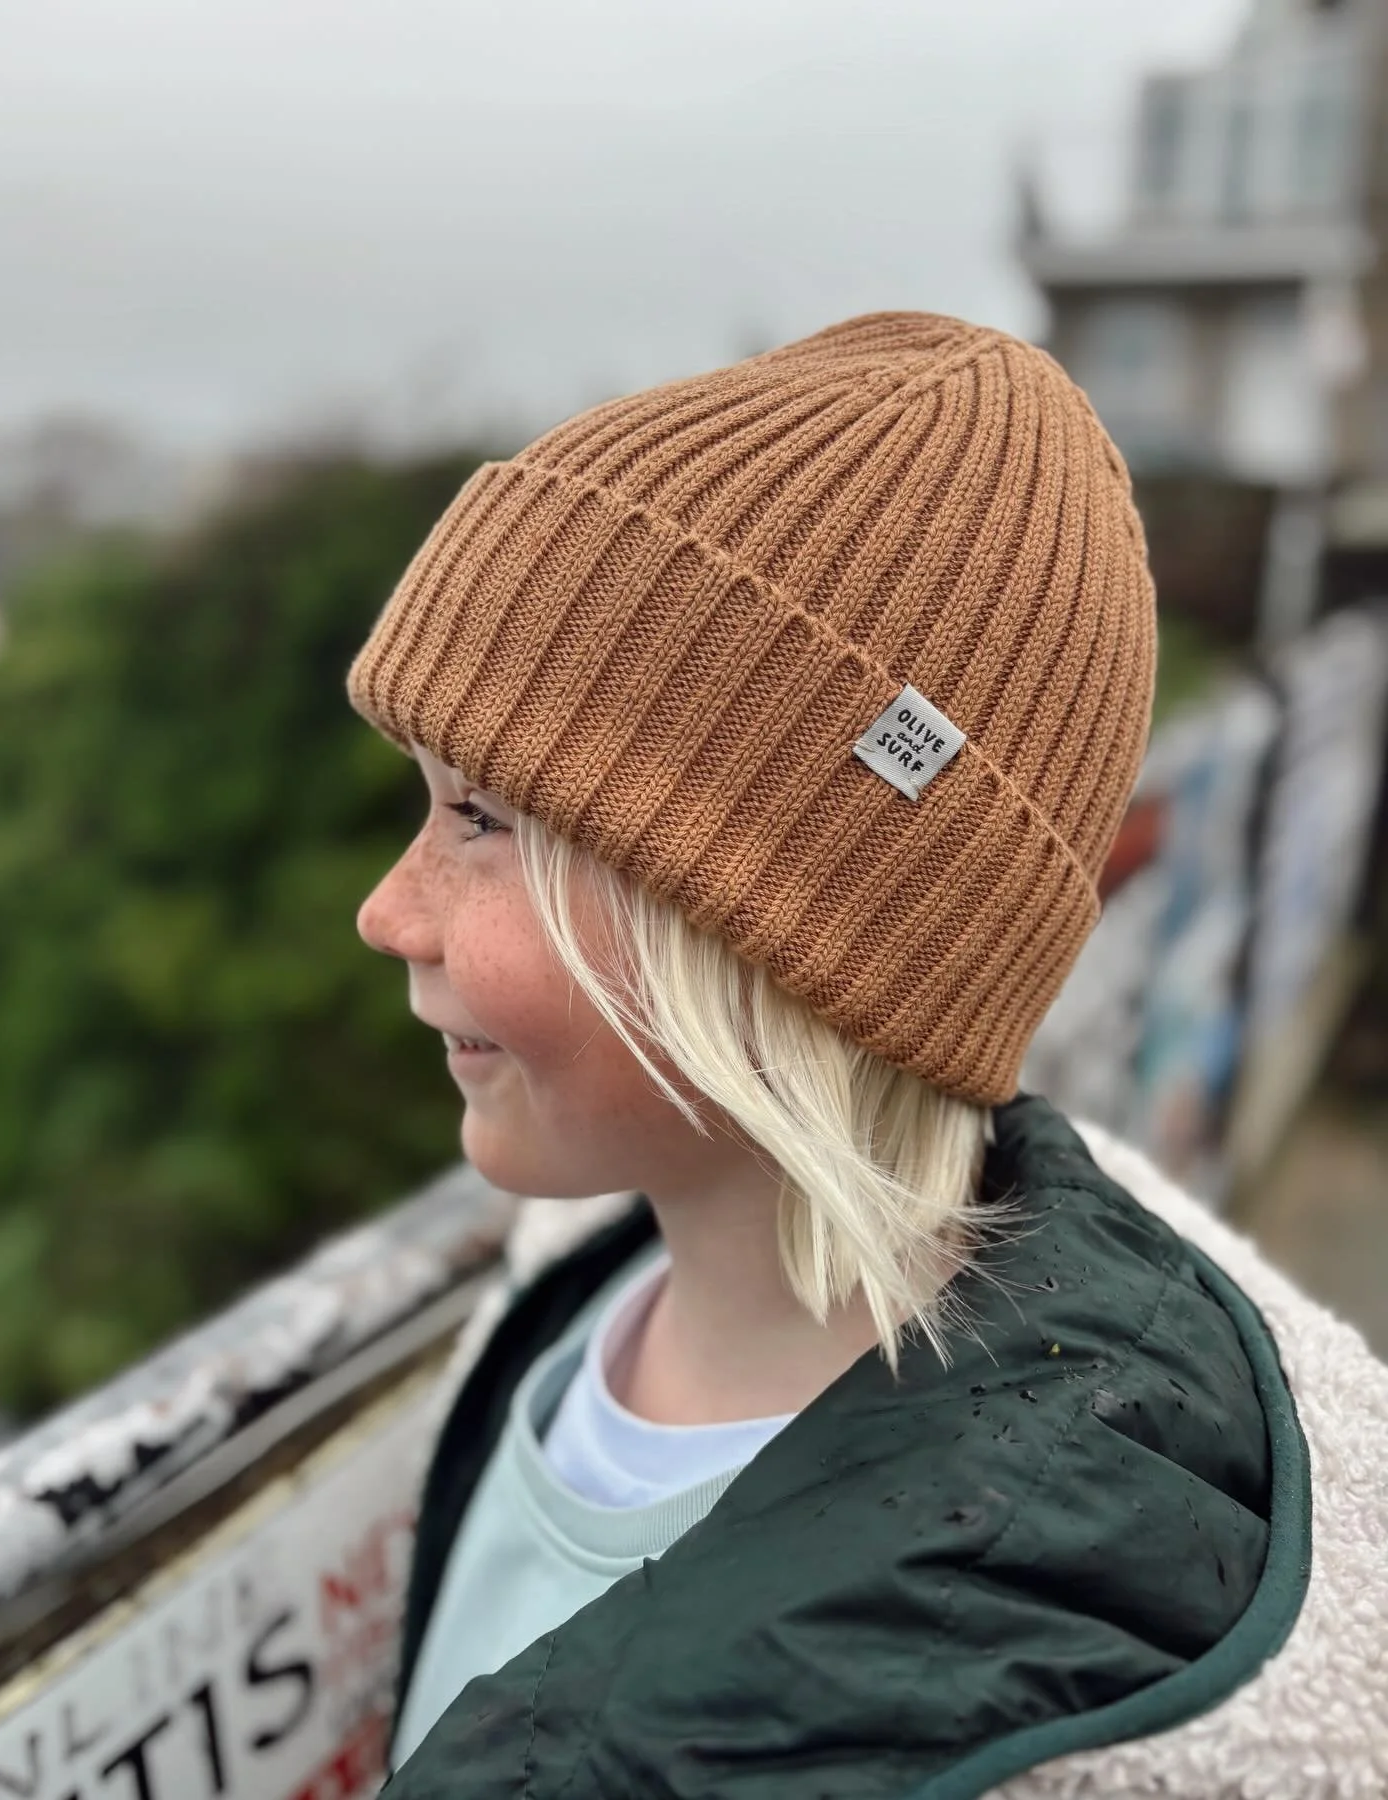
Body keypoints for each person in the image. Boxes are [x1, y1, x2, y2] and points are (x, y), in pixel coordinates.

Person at [348, 315, 1388, 1797]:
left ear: (784, 926)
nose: (388, 910)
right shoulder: (574, 1316)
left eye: (480, 821)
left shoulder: (983, 1700)